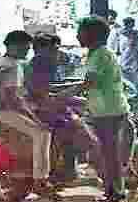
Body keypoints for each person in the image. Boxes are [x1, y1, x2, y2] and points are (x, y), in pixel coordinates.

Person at [72, 16, 132, 202]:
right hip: (103, 111)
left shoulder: (101, 54)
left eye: (80, 32)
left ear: (92, 35)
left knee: (110, 157)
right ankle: (111, 196)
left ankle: (119, 199)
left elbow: (89, 82)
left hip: (109, 112)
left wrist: (62, 95)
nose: (77, 36)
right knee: (106, 156)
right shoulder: (95, 54)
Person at [0, 31, 54, 191]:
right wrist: (35, 119)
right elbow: (13, 99)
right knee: (43, 133)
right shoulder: (12, 66)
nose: (27, 50)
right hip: (4, 111)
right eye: (25, 47)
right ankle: (40, 179)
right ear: (12, 46)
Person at [27, 32, 93, 185]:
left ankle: (68, 170)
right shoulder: (41, 63)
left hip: (52, 105)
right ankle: (60, 172)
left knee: (77, 125)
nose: (56, 52)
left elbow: (56, 85)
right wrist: (78, 92)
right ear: (41, 49)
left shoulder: (46, 63)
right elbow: (46, 91)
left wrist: (76, 87)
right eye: (53, 49)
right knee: (78, 131)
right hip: (45, 108)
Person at [119, 22, 138, 98]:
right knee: (131, 87)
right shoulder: (123, 35)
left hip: (134, 67)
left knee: (137, 87)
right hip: (126, 66)